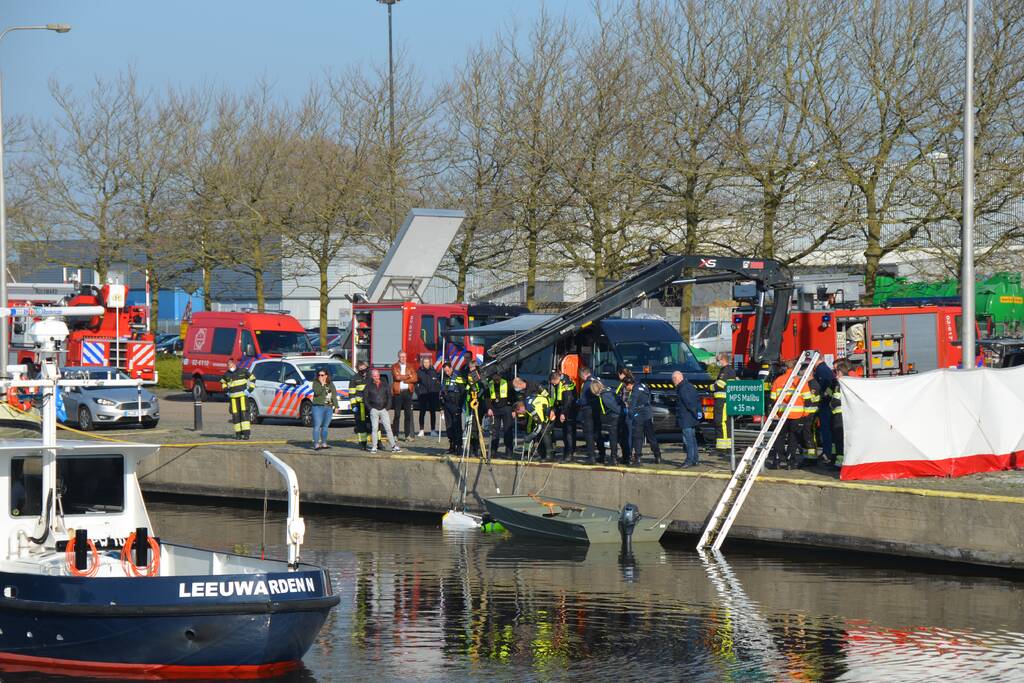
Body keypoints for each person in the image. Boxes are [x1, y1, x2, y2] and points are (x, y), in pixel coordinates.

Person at [768, 360, 805, 469]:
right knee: (793, 439)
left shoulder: (778, 380)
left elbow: (773, 399)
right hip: (796, 415)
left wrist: (774, 413)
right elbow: (807, 398)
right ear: (795, 368)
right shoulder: (799, 381)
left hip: (782, 414)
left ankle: (777, 461)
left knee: (779, 437)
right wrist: (806, 413)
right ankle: (790, 462)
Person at [364, 369, 400, 453]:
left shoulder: (385, 384)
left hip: (384, 409)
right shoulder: (368, 386)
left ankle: (393, 446)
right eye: (374, 376)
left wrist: (387, 407)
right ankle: (374, 447)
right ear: (372, 376)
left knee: (388, 428)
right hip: (374, 409)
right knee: (374, 429)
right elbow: (365, 399)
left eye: (377, 376)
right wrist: (370, 409)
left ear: (379, 375)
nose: (376, 377)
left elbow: (389, 397)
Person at [623, 374, 656, 466]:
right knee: (651, 436)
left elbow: (632, 406)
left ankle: (638, 459)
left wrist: (629, 415)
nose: (626, 388)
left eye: (625, 386)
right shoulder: (643, 385)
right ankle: (657, 455)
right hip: (648, 413)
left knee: (638, 437)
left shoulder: (635, 391)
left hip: (639, 415)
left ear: (629, 384)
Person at [220, 358, 255, 440]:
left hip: (243, 397)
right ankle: (238, 434)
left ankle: (246, 434)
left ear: (234, 364)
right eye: (228, 365)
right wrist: (226, 391)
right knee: (235, 416)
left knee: (244, 415)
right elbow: (223, 383)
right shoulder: (226, 374)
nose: (229, 367)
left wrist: (249, 390)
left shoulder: (243, 371)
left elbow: (253, 378)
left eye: (230, 365)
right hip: (233, 399)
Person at [672, 370, 701, 467]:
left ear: (677, 378)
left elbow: (688, 403)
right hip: (691, 418)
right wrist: (697, 413)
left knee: (688, 440)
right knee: (693, 440)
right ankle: (695, 459)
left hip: (686, 418)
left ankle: (689, 460)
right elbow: (697, 400)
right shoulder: (690, 386)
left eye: (673, 380)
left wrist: (694, 412)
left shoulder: (682, 388)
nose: (673, 383)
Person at [545, 370, 576, 462]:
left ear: (555, 379)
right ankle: (566, 452)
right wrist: (552, 410)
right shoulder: (559, 382)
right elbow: (556, 399)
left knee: (568, 433)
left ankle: (569, 455)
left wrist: (563, 413)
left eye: (552, 383)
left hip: (570, 410)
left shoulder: (565, 384)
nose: (552, 385)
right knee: (565, 432)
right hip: (563, 408)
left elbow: (568, 400)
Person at [590, 379, 621, 464]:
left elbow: (615, 407)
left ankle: (614, 458)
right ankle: (618, 457)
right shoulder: (608, 390)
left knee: (613, 438)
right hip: (617, 416)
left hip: (615, 417)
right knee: (619, 437)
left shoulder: (604, 396)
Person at [514, 391, 552, 460]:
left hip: (548, 413)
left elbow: (539, 425)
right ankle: (542, 455)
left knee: (544, 433)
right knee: (540, 433)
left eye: (519, 412)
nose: (521, 414)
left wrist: (531, 436)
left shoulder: (530, 408)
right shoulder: (526, 401)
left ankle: (549, 455)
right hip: (545, 409)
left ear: (520, 408)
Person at [813, 357, 837, 463]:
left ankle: (828, 454)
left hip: (825, 406)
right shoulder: (824, 369)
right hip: (827, 405)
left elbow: (823, 388)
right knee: (827, 431)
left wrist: (822, 397)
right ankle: (828, 453)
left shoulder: (821, 370)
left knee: (826, 431)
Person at [827, 360, 850, 468]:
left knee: (839, 440)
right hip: (837, 416)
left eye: (837, 372)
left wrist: (831, 404)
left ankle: (839, 463)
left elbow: (836, 400)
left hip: (839, 416)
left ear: (841, 372)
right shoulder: (839, 383)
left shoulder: (841, 384)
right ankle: (835, 459)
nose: (835, 374)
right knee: (836, 440)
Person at [390, 351, 418, 441]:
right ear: (398, 357)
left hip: (408, 392)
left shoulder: (410, 366)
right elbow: (396, 377)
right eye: (401, 357)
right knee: (397, 414)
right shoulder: (394, 366)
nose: (403, 358)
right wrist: (408, 376)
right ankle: (395, 435)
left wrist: (404, 379)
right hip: (398, 392)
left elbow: (415, 378)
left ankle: (407, 435)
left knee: (408, 415)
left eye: (404, 357)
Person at [310, 368, 340, 450]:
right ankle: (316, 444)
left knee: (325, 426)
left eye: (322, 375)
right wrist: (322, 384)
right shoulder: (316, 383)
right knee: (317, 426)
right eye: (319, 375)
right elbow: (317, 392)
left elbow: (334, 395)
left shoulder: (330, 383)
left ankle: (324, 443)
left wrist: (336, 406)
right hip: (318, 407)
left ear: (326, 376)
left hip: (328, 407)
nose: (320, 376)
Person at [486, 373, 515, 459]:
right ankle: (493, 451)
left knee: (508, 431)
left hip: (506, 408)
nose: (496, 380)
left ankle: (509, 451)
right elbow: (487, 397)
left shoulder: (507, 382)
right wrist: (489, 408)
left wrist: (513, 409)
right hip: (495, 409)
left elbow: (513, 396)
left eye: (497, 378)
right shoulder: (490, 383)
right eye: (495, 378)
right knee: (494, 431)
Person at [440, 363, 466, 454]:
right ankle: (452, 445)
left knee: (457, 427)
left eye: (448, 370)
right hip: (447, 405)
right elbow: (442, 392)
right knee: (449, 426)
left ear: (451, 368)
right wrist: (442, 407)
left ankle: (459, 446)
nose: (447, 372)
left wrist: (460, 406)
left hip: (456, 404)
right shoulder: (445, 378)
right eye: (445, 371)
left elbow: (463, 392)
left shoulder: (458, 376)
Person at [712, 352, 736, 452]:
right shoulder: (729, 370)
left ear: (723, 360)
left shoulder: (726, 370)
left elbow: (720, 384)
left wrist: (711, 387)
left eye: (718, 360)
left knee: (721, 422)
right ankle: (726, 446)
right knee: (725, 422)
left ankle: (723, 448)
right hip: (724, 400)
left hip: (723, 400)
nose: (718, 362)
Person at [576, 366, 600, 464]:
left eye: (581, 377)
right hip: (597, 410)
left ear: (584, 375)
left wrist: (577, 402)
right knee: (597, 433)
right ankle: (601, 455)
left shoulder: (586, 384)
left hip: (587, 411)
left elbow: (583, 400)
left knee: (588, 434)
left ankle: (591, 457)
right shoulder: (597, 380)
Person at [464, 368, 490, 456]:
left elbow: (486, 393)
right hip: (472, 405)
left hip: (480, 406)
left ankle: (477, 447)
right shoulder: (471, 381)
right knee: (473, 427)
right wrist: (471, 387)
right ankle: (472, 448)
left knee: (479, 428)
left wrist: (487, 409)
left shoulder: (483, 381)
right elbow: (466, 390)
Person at [416, 356, 441, 437]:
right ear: (422, 363)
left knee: (432, 412)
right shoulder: (419, 371)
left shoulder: (434, 371)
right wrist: (418, 392)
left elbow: (437, 383)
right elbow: (416, 383)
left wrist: (436, 392)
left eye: (427, 362)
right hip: (422, 394)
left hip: (432, 394)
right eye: (424, 362)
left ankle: (433, 430)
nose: (426, 364)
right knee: (422, 412)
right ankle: (421, 430)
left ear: (430, 363)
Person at [350, 361, 370, 450]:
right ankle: (362, 443)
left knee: (374, 423)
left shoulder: (371, 377)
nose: (363, 370)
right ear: (358, 369)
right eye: (360, 369)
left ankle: (378, 442)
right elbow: (351, 393)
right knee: (361, 425)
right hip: (360, 405)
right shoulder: (354, 378)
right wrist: (354, 405)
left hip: (370, 405)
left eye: (364, 368)